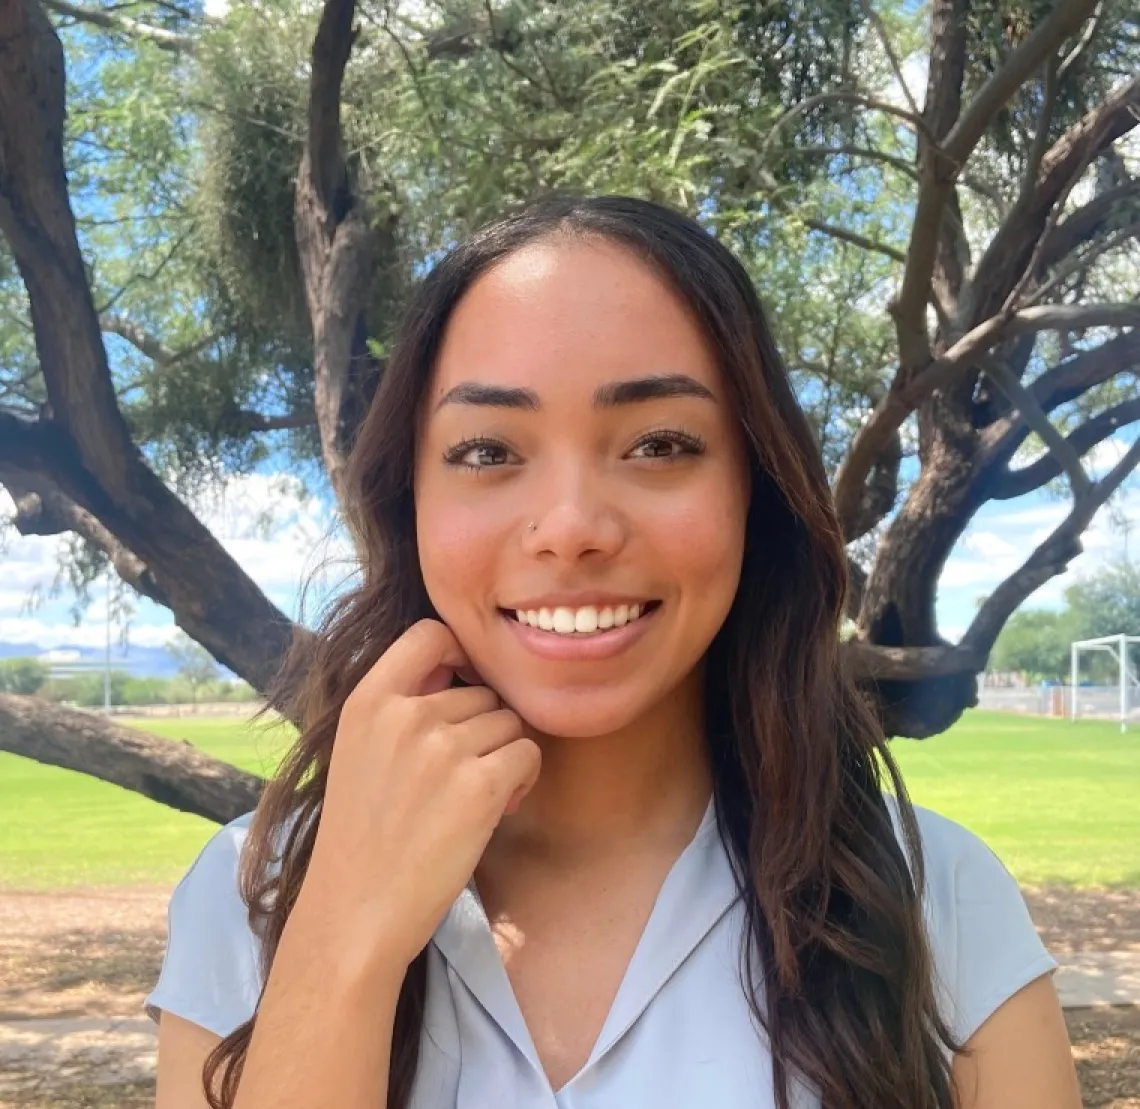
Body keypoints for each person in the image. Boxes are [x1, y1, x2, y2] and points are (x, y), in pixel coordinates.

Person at [145, 195, 1081, 1109]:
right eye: (487, 451)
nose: (571, 527)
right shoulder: (253, 895)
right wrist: (343, 936)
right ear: (409, 502)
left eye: (660, 443)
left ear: (755, 491)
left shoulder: (937, 900)